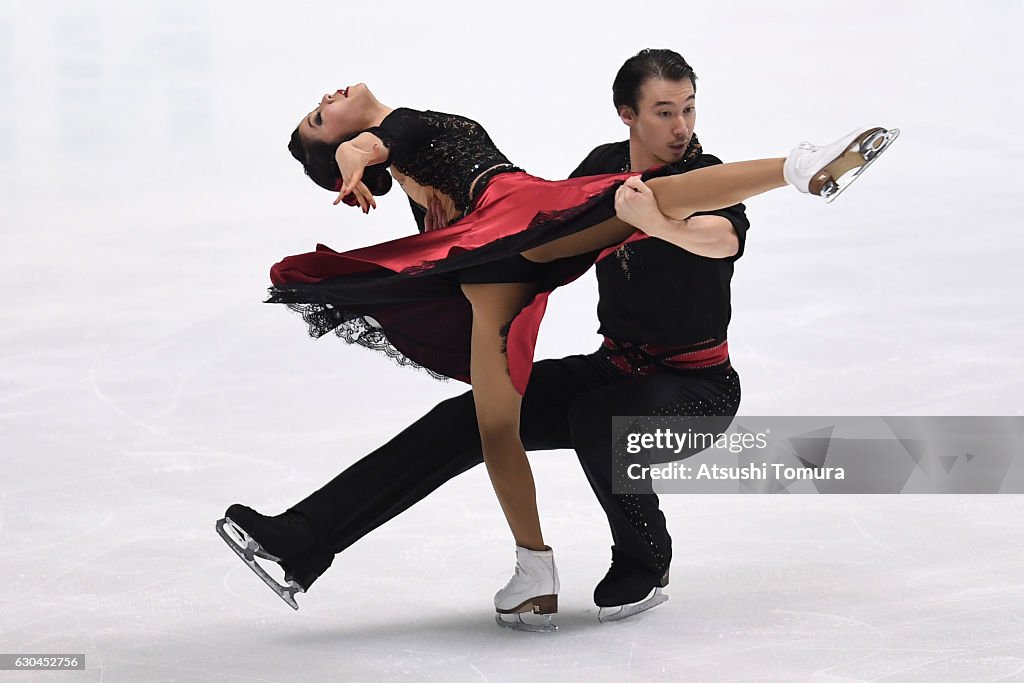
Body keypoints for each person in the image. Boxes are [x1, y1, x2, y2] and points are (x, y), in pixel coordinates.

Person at [218, 50, 897, 629]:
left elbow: (721, 240)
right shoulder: (591, 166)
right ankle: (315, 539)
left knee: (590, 414)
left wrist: (652, 223)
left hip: (696, 388)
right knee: (476, 424)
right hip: (519, 262)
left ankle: (642, 556)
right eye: (666, 111)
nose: (682, 125)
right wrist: (351, 157)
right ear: (627, 115)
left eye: (688, 108)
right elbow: (377, 148)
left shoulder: (694, 170)